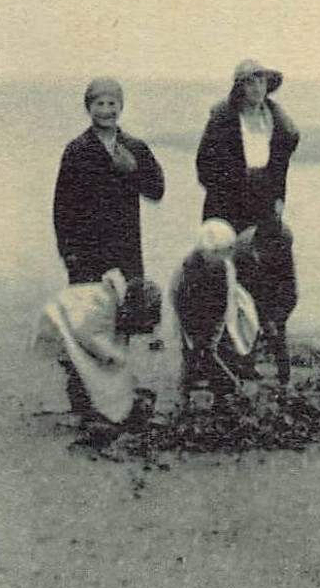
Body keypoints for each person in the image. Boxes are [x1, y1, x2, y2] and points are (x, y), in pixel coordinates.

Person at [52, 77, 166, 284]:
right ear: (88, 108)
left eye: (112, 103)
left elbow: (157, 191)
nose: (106, 110)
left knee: (129, 311)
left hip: (125, 249)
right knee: (89, 311)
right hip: (86, 252)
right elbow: (62, 207)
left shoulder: (134, 146)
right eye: (99, 104)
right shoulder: (76, 150)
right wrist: (68, 253)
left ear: (121, 106)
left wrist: (133, 170)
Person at [35, 268, 163, 431]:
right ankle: (93, 412)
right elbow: (90, 336)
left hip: (71, 313)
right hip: (71, 318)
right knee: (89, 367)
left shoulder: (107, 299)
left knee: (85, 367)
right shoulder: (101, 302)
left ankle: (90, 408)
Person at [195, 59, 301, 230]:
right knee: (224, 250)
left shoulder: (277, 123)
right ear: (240, 89)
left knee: (270, 248)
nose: (257, 88)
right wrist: (228, 190)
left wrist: (279, 198)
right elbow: (204, 167)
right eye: (250, 83)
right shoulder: (222, 121)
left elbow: (280, 168)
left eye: (261, 82)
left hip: (264, 202)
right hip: (226, 204)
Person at [172, 219, 261, 397]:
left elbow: (223, 307)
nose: (227, 255)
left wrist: (213, 337)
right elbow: (180, 301)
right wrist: (195, 336)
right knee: (193, 353)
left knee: (223, 351)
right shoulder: (188, 268)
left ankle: (224, 393)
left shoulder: (224, 269)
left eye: (228, 251)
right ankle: (186, 390)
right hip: (193, 311)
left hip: (222, 313)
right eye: (222, 252)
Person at [234, 216, 298, 384]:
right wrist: (263, 319)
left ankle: (284, 372)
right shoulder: (242, 250)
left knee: (278, 329)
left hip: (271, 285)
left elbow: (291, 292)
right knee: (247, 323)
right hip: (244, 283)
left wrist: (279, 318)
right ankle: (244, 366)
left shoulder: (284, 247)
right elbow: (244, 293)